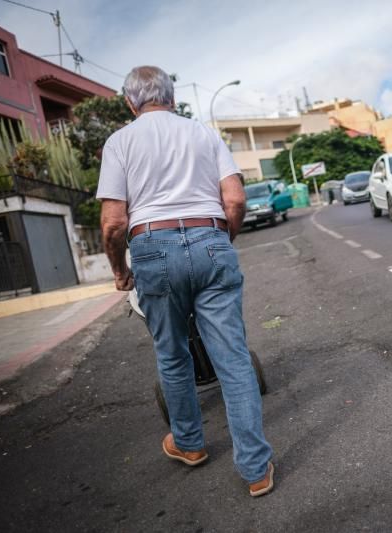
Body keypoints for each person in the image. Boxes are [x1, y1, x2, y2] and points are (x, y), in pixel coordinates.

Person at [97, 66, 274, 497]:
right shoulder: (204, 134)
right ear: (172, 98)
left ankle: (190, 445)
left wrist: (120, 270)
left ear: (130, 102)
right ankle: (255, 470)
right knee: (232, 358)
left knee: (173, 355)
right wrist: (219, 241)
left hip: (153, 249)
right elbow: (234, 199)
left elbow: (113, 223)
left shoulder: (119, 142)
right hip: (209, 236)